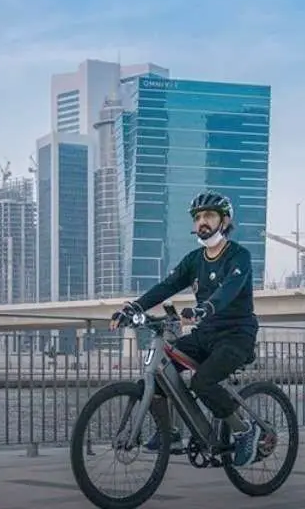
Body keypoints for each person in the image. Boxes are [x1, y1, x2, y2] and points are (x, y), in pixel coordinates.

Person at [110, 190, 262, 467]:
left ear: (224, 221)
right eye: (198, 217)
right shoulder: (194, 259)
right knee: (158, 374)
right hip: (206, 335)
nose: (202, 221)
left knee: (202, 381)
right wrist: (134, 308)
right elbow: (166, 286)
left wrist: (204, 308)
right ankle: (171, 432)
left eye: (209, 215)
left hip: (236, 335)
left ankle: (245, 431)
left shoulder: (239, 256)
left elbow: (229, 289)